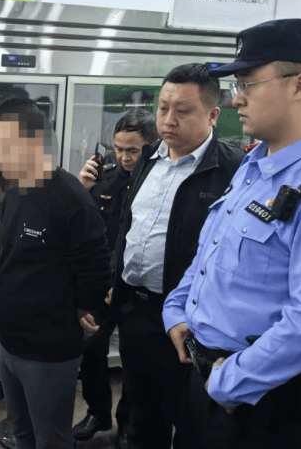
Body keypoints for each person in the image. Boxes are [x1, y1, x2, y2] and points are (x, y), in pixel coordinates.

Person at [163, 19, 301, 449]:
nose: (236, 99)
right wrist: (177, 310)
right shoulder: (253, 166)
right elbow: (209, 254)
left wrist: (230, 381)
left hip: (261, 398)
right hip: (204, 377)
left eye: (248, 84)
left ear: (300, 85)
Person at [101, 63, 244, 449]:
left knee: (190, 421)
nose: (168, 120)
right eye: (163, 108)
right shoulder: (149, 159)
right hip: (136, 311)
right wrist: (116, 279)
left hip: (190, 323)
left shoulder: (232, 170)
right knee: (142, 413)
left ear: (213, 115)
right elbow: (129, 227)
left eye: (182, 111)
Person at [0, 97, 112, 449]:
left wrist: (78, 311)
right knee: (21, 432)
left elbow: (96, 272)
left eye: (4, 146)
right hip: (8, 343)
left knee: (51, 439)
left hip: (47, 351)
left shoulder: (72, 200)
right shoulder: (15, 192)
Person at [72, 109, 159, 445]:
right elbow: (89, 233)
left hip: (139, 286)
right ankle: (98, 412)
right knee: (91, 347)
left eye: (132, 150)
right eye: (118, 149)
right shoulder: (105, 179)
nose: (123, 157)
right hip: (103, 285)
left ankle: (128, 423)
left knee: (135, 359)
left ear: (152, 144)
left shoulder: (160, 183)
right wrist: (82, 189)